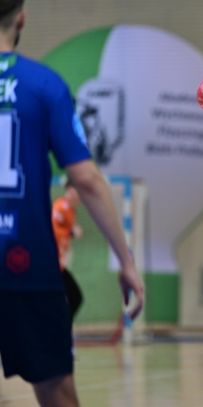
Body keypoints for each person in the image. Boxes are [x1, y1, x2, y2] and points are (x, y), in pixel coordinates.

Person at [0, 1, 145, 406]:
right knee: (56, 391)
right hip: (24, 262)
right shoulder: (43, 85)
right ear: (22, 17)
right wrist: (126, 261)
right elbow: (87, 180)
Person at [52, 182, 84, 319]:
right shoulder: (61, 206)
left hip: (59, 264)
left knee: (73, 298)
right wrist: (71, 232)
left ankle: (59, 326)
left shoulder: (70, 210)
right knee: (75, 297)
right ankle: (59, 327)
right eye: (78, 191)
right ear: (70, 190)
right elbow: (52, 229)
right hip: (53, 265)